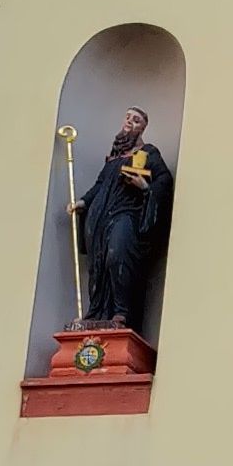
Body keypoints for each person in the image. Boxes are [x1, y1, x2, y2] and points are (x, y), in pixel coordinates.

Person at [68, 106, 175, 329]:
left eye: (136, 120)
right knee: (99, 264)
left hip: (126, 214)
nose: (129, 122)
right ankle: (97, 311)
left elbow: (164, 182)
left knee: (117, 256)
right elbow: (100, 185)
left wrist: (145, 187)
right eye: (127, 118)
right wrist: (83, 202)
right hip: (100, 217)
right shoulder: (114, 158)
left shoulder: (149, 152)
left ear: (143, 127)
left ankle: (121, 312)